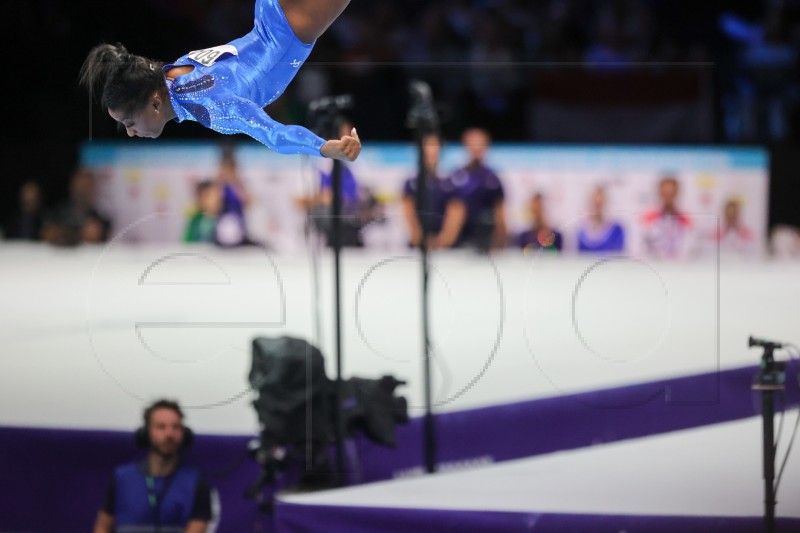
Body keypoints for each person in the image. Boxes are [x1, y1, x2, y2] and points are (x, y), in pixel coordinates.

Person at [79, 0, 361, 161]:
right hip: (270, 15)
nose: (130, 133)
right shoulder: (169, 74)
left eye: (129, 123)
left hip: (290, 28)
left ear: (154, 103)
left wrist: (323, 147)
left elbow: (272, 133)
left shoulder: (210, 107)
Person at [94, 400, 213, 533]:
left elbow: (197, 527)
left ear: (184, 435)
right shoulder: (122, 478)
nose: (169, 434)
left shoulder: (196, 482)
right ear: (145, 433)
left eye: (176, 427)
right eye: (161, 427)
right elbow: (102, 526)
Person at [401, 132, 465, 249]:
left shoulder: (451, 183)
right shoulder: (411, 184)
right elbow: (408, 213)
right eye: (427, 147)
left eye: (435, 147)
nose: (431, 151)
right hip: (418, 245)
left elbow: (456, 215)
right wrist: (420, 239)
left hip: (446, 247)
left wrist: (442, 241)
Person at [448, 128, 507, 252]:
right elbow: (452, 212)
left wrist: (500, 243)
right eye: (472, 143)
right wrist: (446, 240)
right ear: (466, 145)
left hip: (485, 243)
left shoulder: (493, 179)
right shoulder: (456, 177)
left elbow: (500, 213)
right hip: (459, 244)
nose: (476, 148)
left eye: (480, 143)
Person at [640, 175, 694, 259]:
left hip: (680, 266)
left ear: (677, 193)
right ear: (659, 193)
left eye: (671, 194)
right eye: (665, 193)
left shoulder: (686, 219)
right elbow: (643, 247)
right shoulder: (648, 218)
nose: (668, 197)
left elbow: (689, 248)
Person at [577, 185, 625, 253]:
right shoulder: (581, 230)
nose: (598, 208)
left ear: (606, 203)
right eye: (595, 204)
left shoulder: (617, 230)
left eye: (600, 204)